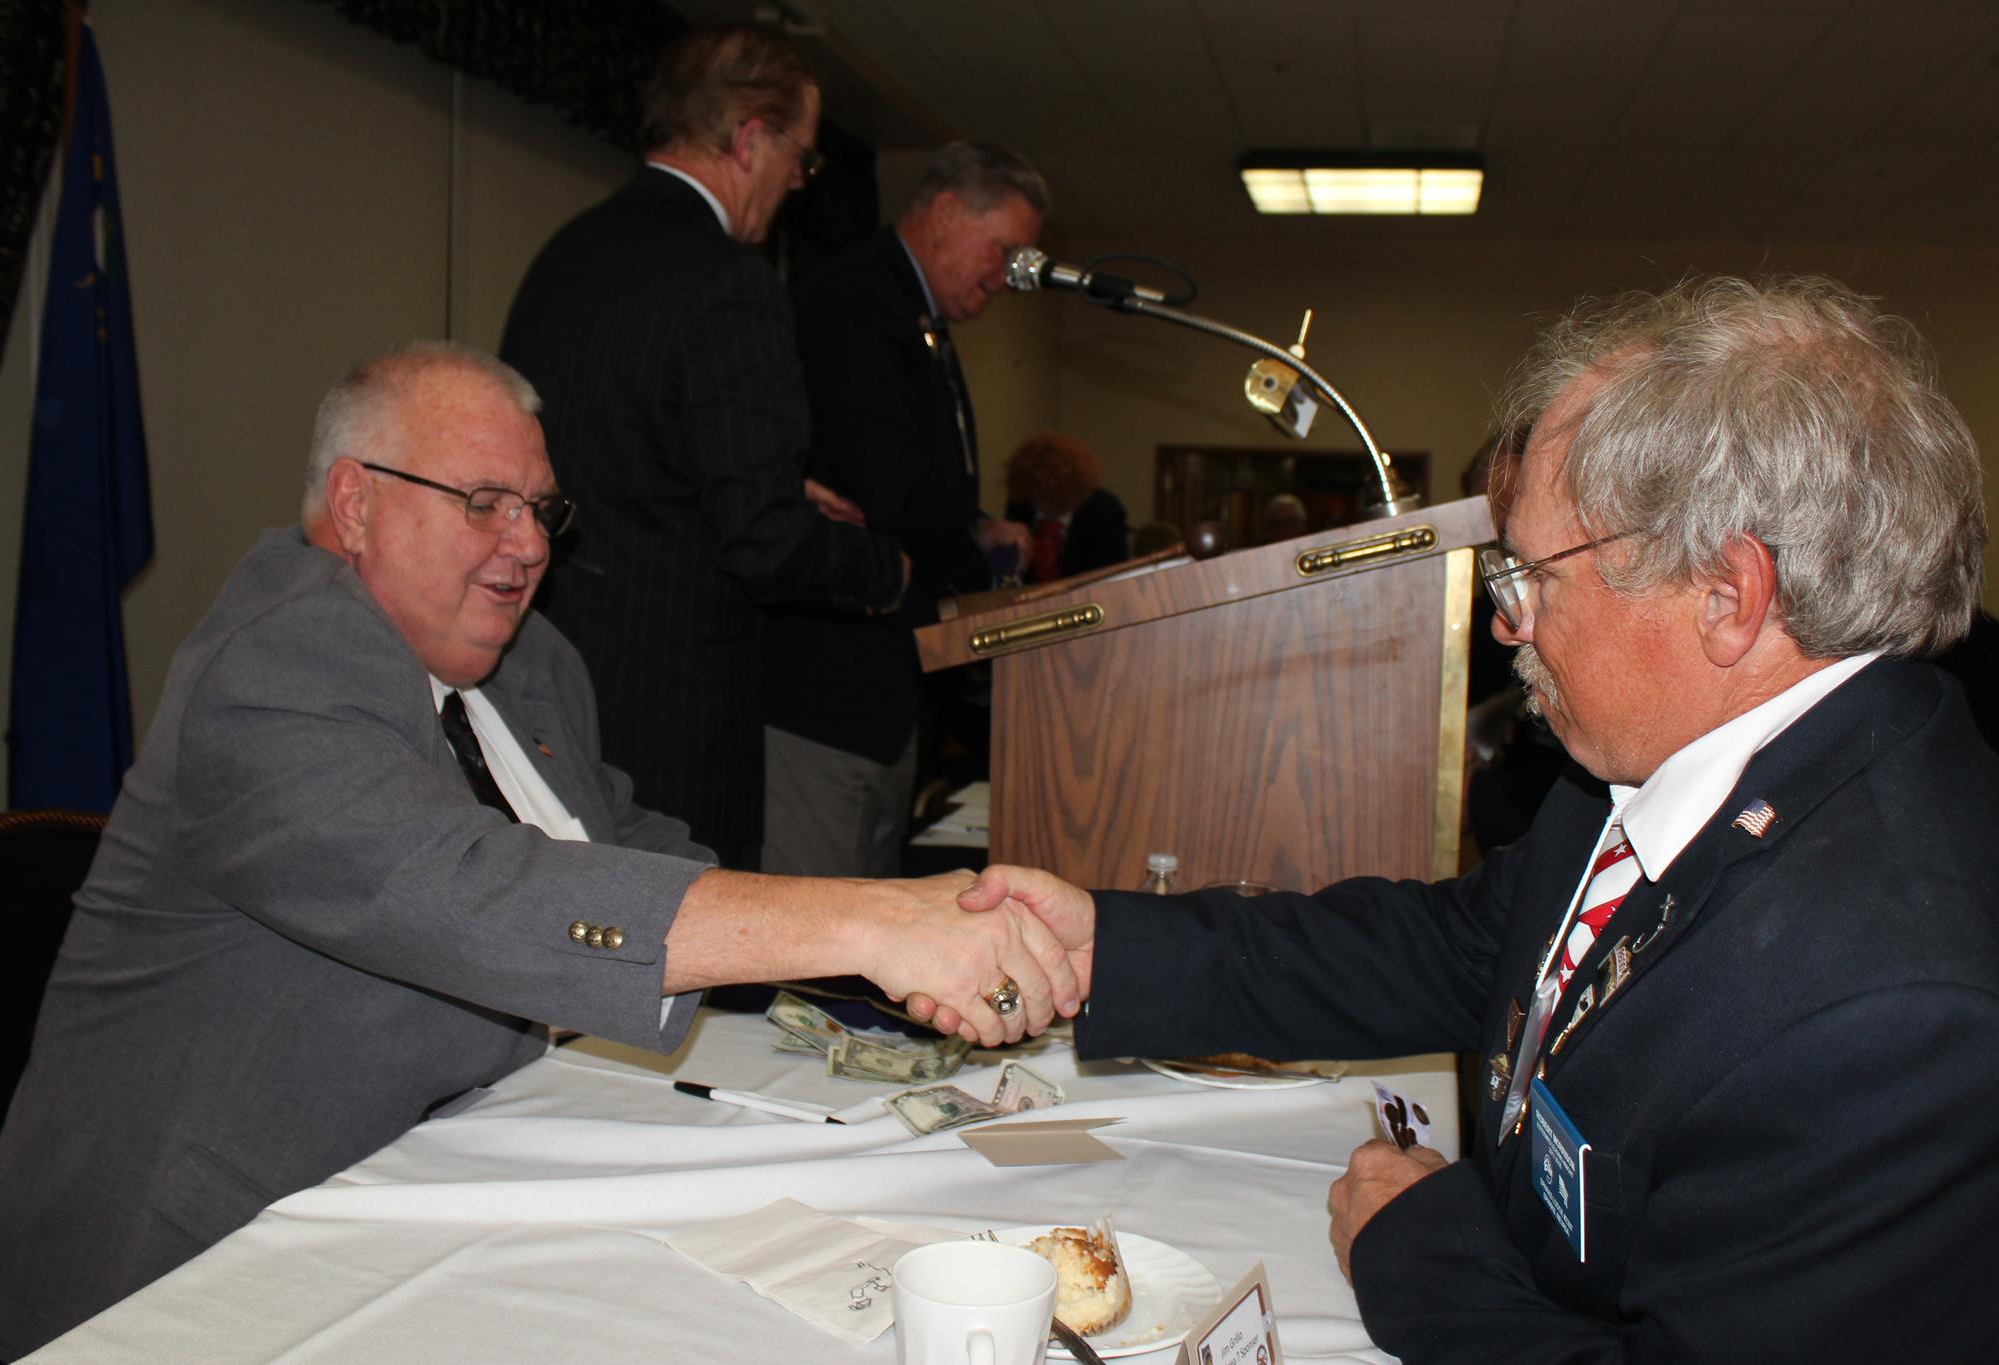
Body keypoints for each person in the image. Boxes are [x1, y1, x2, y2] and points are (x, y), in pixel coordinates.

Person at [931, 277, 1999, 1358]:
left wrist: (1421, 1250)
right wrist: (1104, 949)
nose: (1507, 623)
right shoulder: (1681, 759)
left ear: (1726, 596)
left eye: (1534, 575)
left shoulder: (1901, 1015)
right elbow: (1453, 946)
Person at [0, 345, 1077, 1360]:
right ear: (354, 503)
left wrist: (904, 923)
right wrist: (871, 927)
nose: (531, 544)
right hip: (190, 1267)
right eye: (484, 502)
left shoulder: (529, 665)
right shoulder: (274, 664)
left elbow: (632, 847)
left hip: (430, 1183)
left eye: (541, 509)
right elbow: (466, 890)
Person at [499, 27, 905, 871]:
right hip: (673, 719)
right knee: (683, 939)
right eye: (800, 157)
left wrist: (760, 485)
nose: (798, 180)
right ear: (750, 139)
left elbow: (614, 451)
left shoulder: (563, 253)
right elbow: (764, 542)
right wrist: (882, 570)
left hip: (546, 685)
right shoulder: (731, 280)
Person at [759, 141, 1047, 878]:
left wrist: (977, 522)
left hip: (884, 684)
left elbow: (919, 473)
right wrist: (979, 569)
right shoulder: (856, 301)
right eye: (1003, 251)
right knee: (818, 916)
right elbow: (882, 484)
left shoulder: (914, 311)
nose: (1009, 277)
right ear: (946, 214)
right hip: (826, 682)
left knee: (867, 903)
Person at [1003, 432, 1129, 583]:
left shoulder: (1104, 511)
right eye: (1035, 493)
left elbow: (1110, 573)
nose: (1043, 504)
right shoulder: (1020, 507)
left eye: (1051, 494)